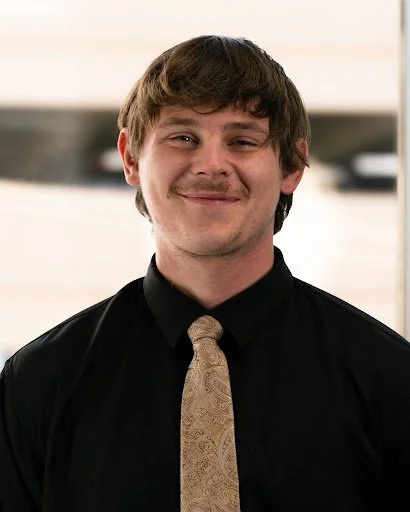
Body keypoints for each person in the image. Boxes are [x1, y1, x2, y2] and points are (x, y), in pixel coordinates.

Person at [1, 35, 410, 512]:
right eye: (183, 138)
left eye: (242, 141)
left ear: (292, 166)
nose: (212, 165)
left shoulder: (390, 379)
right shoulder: (40, 383)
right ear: (131, 158)